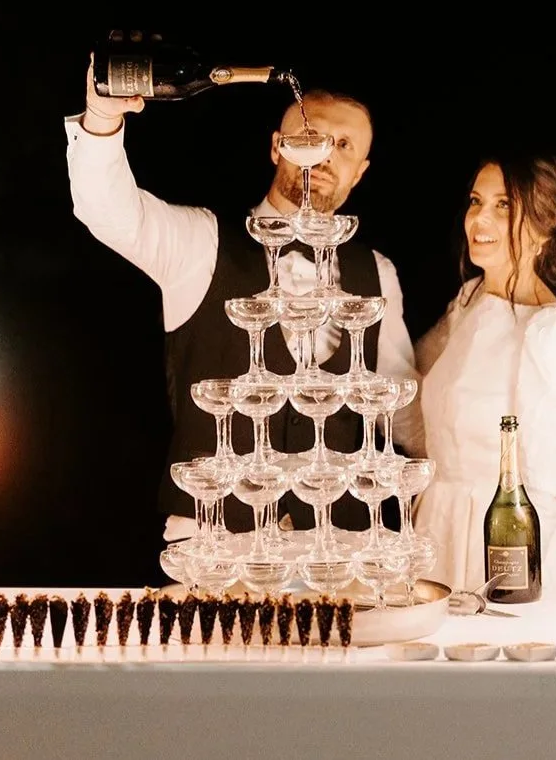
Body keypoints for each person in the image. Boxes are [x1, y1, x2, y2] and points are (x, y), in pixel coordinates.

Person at [66, 53, 419, 541]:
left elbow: (404, 413)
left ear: (360, 171)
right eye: (310, 135)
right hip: (213, 547)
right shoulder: (202, 244)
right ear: (277, 148)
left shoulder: (377, 273)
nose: (324, 153)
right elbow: (109, 212)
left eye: (343, 145)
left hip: (336, 550)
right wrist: (101, 118)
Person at [409, 152, 556, 593]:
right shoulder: (469, 299)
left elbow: (548, 483)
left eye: (503, 206)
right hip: (434, 530)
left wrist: (505, 584)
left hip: (502, 544)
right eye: (477, 202)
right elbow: (411, 395)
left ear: (544, 226)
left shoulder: (551, 329)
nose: (480, 218)